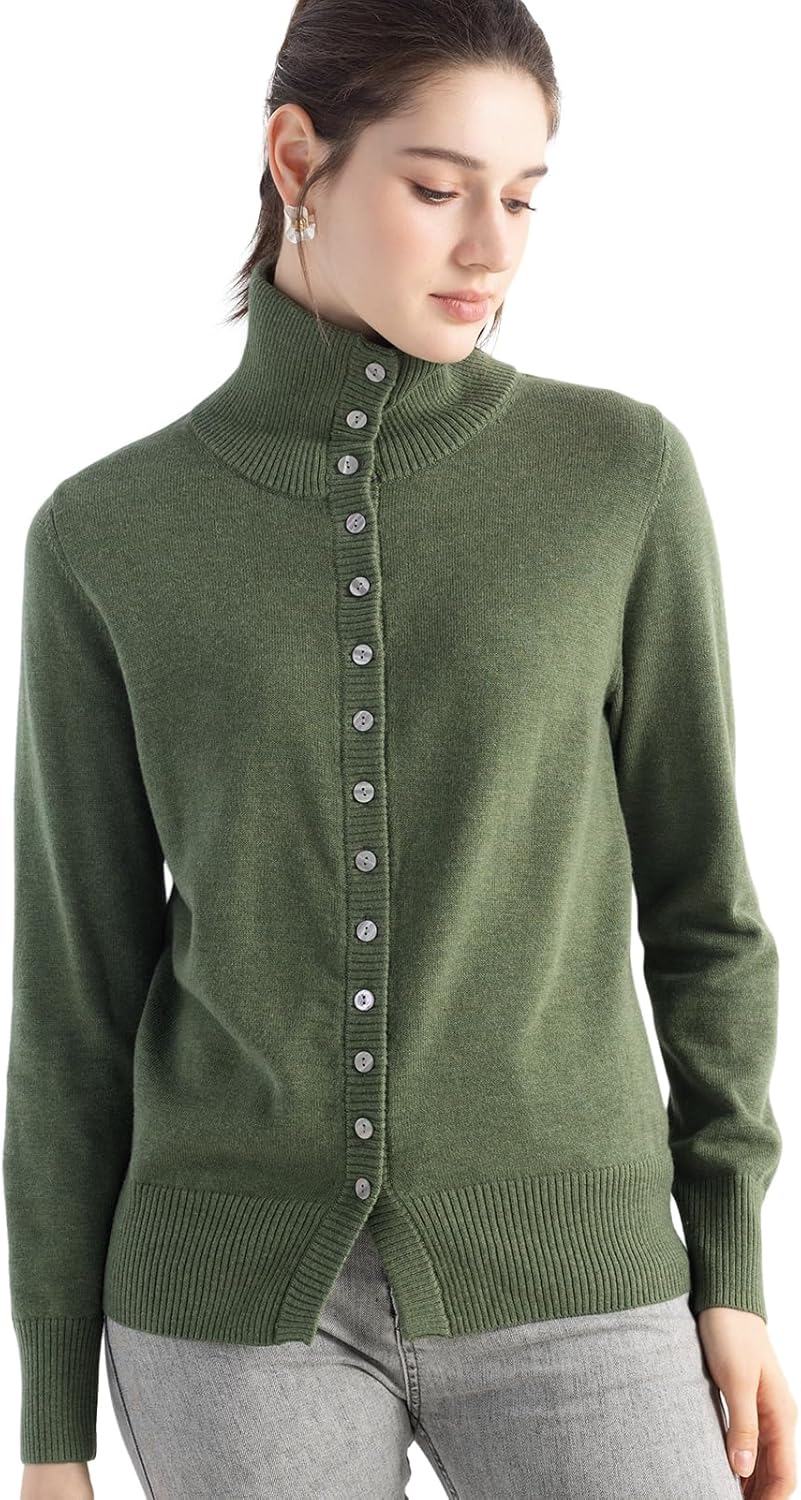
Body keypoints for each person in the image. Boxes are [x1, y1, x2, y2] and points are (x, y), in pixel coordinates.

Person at [5, 1, 797, 1497]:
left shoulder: (616, 475)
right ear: (296, 158)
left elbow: (707, 907)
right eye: (437, 189)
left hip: (578, 1267)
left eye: (524, 198)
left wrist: (732, 1262)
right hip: (228, 1304)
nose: (490, 249)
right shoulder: (106, 535)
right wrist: (51, 1423)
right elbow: (72, 997)